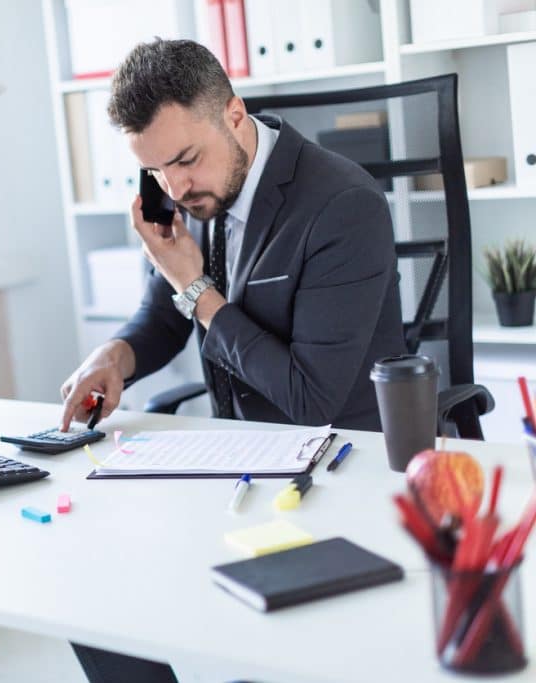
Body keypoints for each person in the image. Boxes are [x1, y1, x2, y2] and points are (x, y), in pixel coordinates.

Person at [60, 39, 407, 682]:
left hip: (335, 471)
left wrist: (199, 291)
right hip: (237, 466)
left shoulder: (342, 206)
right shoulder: (185, 189)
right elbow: (165, 314)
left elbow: (312, 402)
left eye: (186, 160)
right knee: (92, 592)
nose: (175, 187)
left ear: (235, 116)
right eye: (156, 170)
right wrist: (115, 355)